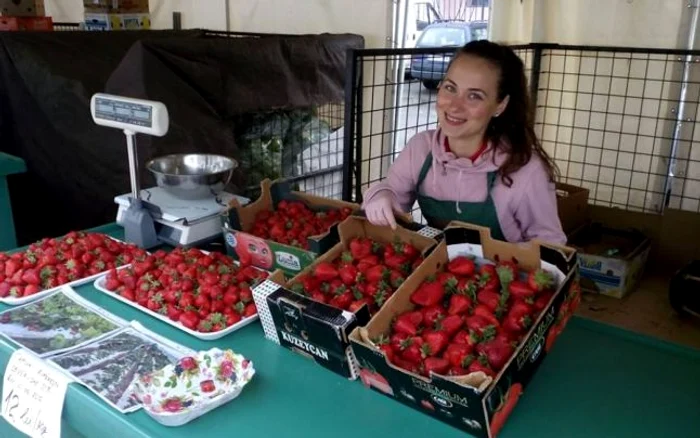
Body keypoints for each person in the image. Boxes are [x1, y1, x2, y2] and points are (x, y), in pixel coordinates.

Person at [362, 39, 566, 245]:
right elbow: (393, 196)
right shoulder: (421, 149)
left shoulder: (525, 169)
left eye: (474, 96)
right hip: (439, 270)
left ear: (500, 105)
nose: (455, 106)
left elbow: (551, 245)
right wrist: (381, 196)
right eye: (450, 88)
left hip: (505, 274)